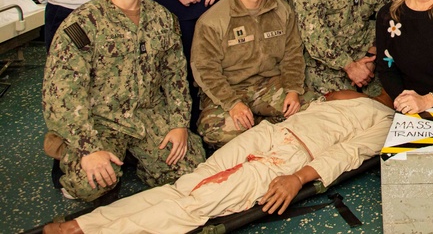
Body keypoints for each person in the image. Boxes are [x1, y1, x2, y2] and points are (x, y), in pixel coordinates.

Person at [42, 96, 393, 234]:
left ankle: (90, 233)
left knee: (198, 206)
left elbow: (345, 155)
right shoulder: (346, 93)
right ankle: (82, 223)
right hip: (270, 133)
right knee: (183, 188)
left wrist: (295, 179)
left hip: (290, 159)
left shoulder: (387, 121)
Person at [42, 0, 206, 202]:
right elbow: (60, 97)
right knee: (89, 185)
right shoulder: (83, 25)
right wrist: (89, 148)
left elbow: (175, 77)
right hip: (101, 121)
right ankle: (73, 149)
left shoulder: (163, 18)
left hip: (147, 114)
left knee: (190, 166)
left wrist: (178, 124)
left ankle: (135, 155)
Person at [191, 0, 311, 146]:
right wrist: (233, 103)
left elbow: (293, 55)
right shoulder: (213, 20)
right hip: (229, 89)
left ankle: (262, 126)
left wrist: (293, 90)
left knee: (312, 111)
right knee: (219, 132)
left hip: (270, 85)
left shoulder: (283, 11)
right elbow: (205, 70)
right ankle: (269, 129)